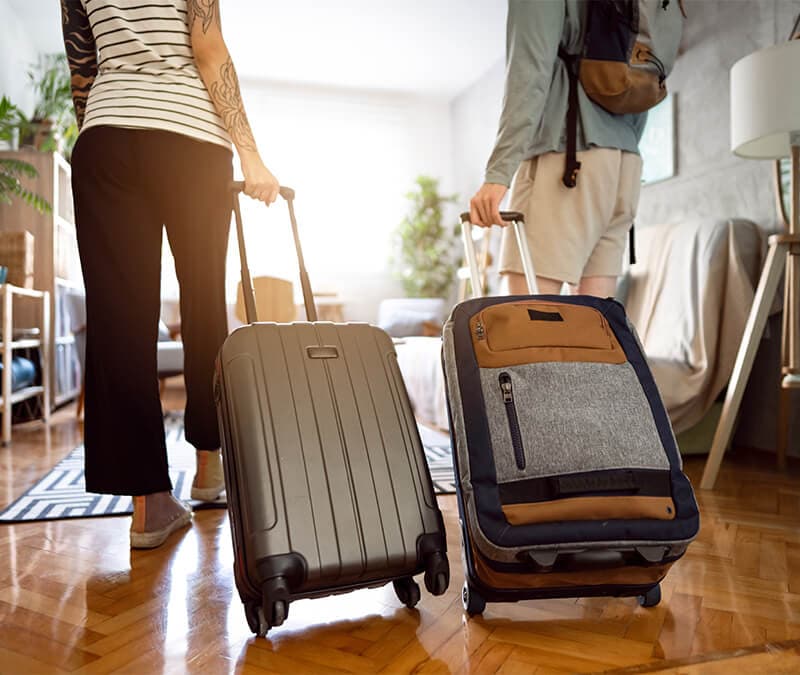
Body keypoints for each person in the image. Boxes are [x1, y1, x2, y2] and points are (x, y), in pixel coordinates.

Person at [60, 0, 278, 548]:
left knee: (119, 318)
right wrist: (251, 155)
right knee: (204, 302)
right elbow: (208, 48)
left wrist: (109, 134)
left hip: (107, 136)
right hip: (191, 138)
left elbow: (82, 66)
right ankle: (209, 469)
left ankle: (149, 506)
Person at [469, 0, 682, 299]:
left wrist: (498, 173)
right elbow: (641, 81)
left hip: (567, 162)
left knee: (526, 326)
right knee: (593, 327)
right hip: (623, 168)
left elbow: (528, 72)